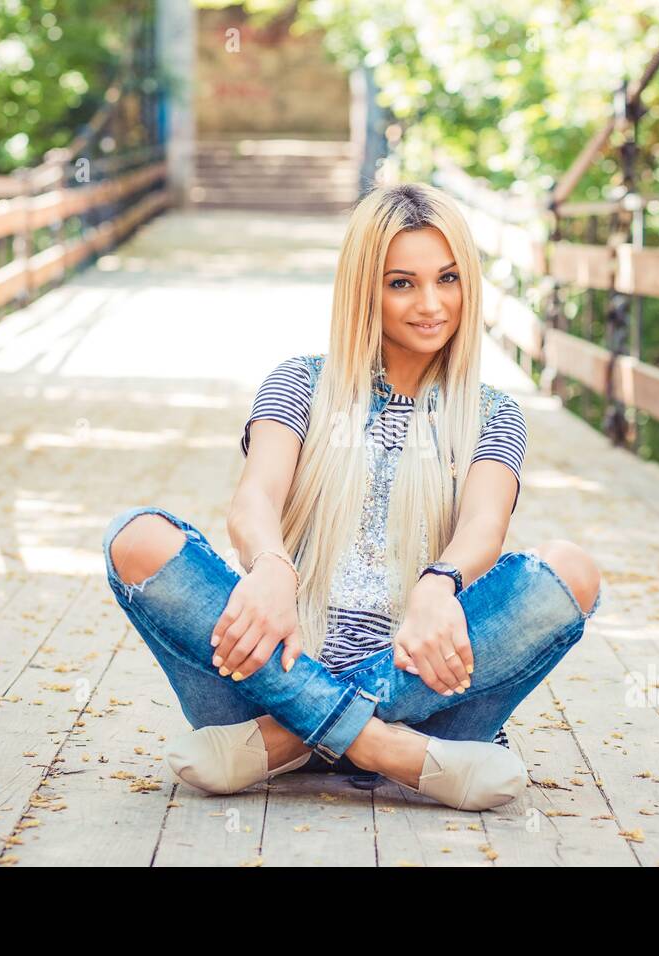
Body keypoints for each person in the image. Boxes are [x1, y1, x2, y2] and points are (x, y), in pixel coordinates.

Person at [102, 182, 601, 811]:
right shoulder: (302, 382)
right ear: (365, 287)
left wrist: (437, 584)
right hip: (270, 677)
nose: (430, 304)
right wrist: (272, 568)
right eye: (402, 283)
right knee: (137, 538)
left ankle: (289, 743)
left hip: (427, 693)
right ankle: (382, 750)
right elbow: (255, 495)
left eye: (447, 279)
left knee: (571, 573)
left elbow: (484, 523)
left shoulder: (492, 413)